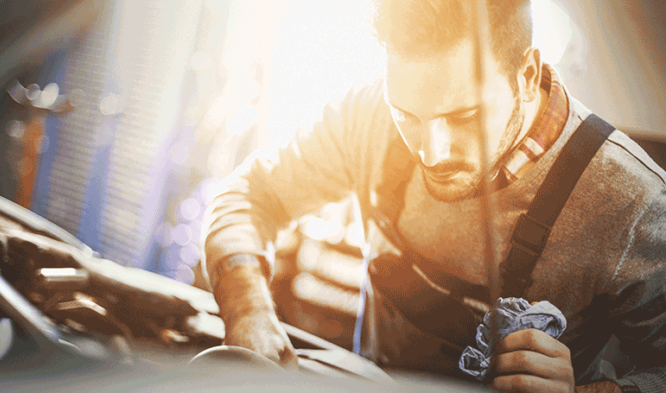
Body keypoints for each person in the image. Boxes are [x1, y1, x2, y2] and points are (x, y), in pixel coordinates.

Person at [198, 1, 666, 392]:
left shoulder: (630, 202)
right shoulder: (368, 115)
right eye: (409, 115)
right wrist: (248, 311)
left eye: (464, 117)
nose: (431, 152)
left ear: (526, 75)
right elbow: (250, 194)